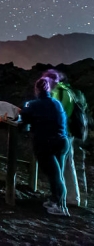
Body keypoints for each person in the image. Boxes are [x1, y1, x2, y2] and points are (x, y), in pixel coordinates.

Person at [20, 77, 70, 216]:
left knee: (55, 175)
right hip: (62, 142)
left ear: (36, 90)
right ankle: (55, 200)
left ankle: (61, 207)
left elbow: (24, 117)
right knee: (57, 174)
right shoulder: (57, 103)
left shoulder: (32, 104)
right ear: (49, 89)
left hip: (46, 143)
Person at [41, 69, 86, 207]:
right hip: (65, 133)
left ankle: (69, 198)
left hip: (63, 133)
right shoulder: (64, 91)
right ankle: (70, 197)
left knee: (64, 165)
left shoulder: (61, 92)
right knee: (66, 164)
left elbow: (59, 114)